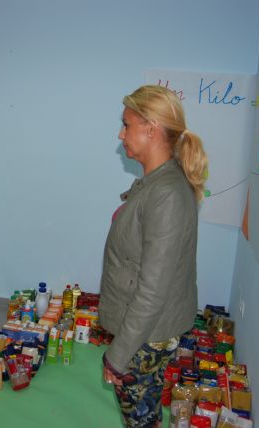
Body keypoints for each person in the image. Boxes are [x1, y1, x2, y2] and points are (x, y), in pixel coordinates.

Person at [98, 85, 208, 427]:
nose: (121, 133)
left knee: (139, 415)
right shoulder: (156, 182)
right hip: (146, 327)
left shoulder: (167, 194)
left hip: (148, 332)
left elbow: (153, 290)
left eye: (126, 124)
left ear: (151, 128)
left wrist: (117, 356)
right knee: (144, 409)